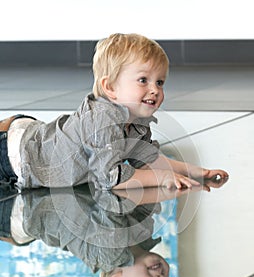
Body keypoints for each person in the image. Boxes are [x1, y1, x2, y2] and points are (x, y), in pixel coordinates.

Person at [0, 33, 228, 190]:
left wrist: (196, 172)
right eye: (143, 80)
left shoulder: (137, 120)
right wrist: (162, 178)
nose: (155, 90)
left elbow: (148, 159)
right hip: (16, 155)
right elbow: (110, 179)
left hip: (32, 134)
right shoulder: (103, 119)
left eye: (159, 82)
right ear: (110, 88)